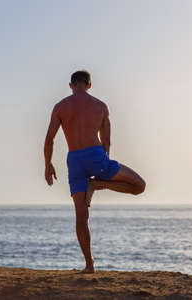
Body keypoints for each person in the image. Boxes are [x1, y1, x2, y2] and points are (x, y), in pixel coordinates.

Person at [43, 70, 146, 273]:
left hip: (74, 160)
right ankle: (98, 184)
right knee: (139, 186)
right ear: (89, 85)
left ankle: (89, 265)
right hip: (95, 156)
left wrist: (48, 164)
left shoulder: (60, 107)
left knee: (81, 216)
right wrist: (103, 167)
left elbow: (49, 139)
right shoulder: (100, 106)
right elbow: (107, 141)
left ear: (71, 85)